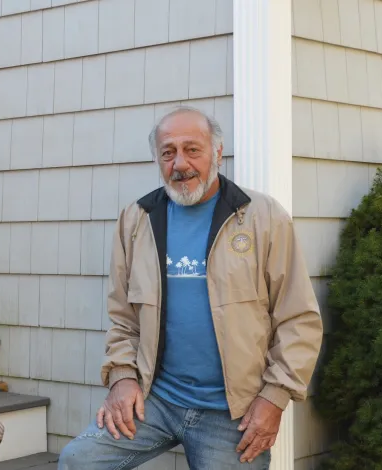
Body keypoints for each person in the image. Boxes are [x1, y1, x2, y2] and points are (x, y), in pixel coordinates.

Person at [58, 107, 323, 469]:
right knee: (79, 461)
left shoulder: (264, 217)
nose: (179, 163)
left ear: (217, 152)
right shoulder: (137, 219)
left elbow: (299, 318)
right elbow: (123, 316)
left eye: (192, 149)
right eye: (168, 152)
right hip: (155, 399)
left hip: (232, 413)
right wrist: (121, 377)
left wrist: (274, 399)